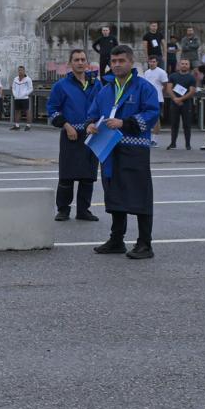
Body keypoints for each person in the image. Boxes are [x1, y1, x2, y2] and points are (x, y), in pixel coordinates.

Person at [87, 45, 162, 260]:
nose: (117, 64)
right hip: (109, 150)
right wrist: (91, 124)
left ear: (131, 62)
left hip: (134, 149)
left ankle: (145, 244)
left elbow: (152, 113)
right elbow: (93, 113)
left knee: (140, 195)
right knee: (114, 194)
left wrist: (124, 122)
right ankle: (117, 239)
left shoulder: (143, 88)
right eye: (114, 61)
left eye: (121, 60)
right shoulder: (105, 89)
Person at [46, 48, 100, 222]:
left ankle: (84, 210)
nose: (80, 62)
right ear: (70, 63)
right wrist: (66, 125)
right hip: (70, 135)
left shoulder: (96, 84)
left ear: (87, 63)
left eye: (83, 59)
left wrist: (96, 123)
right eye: (76, 59)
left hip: (92, 135)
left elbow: (103, 106)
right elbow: (52, 109)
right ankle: (63, 209)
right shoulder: (61, 86)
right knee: (67, 175)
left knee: (88, 175)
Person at [165, 58, 198, 150]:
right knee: (174, 124)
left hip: (186, 104)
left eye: (186, 64)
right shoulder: (173, 76)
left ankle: (188, 144)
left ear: (189, 66)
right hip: (174, 103)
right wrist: (175, 99)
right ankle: (173, 143)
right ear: (179, 65)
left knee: (187, 125)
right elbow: (168, 88)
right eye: (182, 63)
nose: (184, 65)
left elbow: (192, 91)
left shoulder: (191, 78)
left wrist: (180, 99)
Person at [140, 57, 168, 131]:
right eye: (150, 62)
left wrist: (162, 93)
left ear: (157, 62)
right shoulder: (146, 72)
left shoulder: (161, 72)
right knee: (147, 117)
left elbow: (165, 84)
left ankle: (154, 139)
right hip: (147, 98)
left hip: (158, 98)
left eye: (154, 62)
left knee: (156, 118)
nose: (152, 63)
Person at [10, 66, 34, 130]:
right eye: (19, 70)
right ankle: (17, 126)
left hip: (24, 98)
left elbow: (31, 89)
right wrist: (14, 94)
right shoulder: (15, 79)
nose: (20, 71)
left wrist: (25, 94)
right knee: (17, 111)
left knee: (27, 111)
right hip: (17, 98)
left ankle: (28, 125)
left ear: (24, 71)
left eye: (21, 70)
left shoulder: (28, 79)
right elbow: (13, 87)